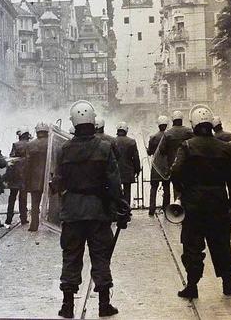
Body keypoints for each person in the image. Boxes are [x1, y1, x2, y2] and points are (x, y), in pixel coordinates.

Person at [53, 100, 124, 318]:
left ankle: (67, 306)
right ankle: (104, 305)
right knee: (101, 257)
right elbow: (114, 182)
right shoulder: (104, 148)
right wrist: (121, 207)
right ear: (92, 122)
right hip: (98, 211)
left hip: (72, 212)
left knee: (71, 257)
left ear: (73, 123)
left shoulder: (64, 149)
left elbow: (58, 182)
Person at [170, 105, 231, 300]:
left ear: (193, 124)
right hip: (218, 201)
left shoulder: (188, 146)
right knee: (222, 244)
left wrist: (182, 189)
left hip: (194, 203)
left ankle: (192, 286)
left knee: (192, 245)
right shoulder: (224, 147)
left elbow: (175, 171)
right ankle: (227, 284)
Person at [158, 110, 193, 198]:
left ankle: (177, 208)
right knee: (187, 187)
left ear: (173, 120)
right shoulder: (189, 131)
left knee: (176, 187)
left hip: (173, 164)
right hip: (188, 164)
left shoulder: (168, 133)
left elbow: (162, 149)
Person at [24, 122, 50, 232]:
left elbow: (27, 164)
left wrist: (27, 180)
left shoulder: (30, 145)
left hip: (35, 179)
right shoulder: (52, 142)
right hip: (50, 176)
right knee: (53, 202)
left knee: (35, 204)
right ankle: (53, 224)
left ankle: (34, 225)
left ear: (37, 131)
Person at [5, 126, 29, 225]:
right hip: (26, 175)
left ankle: (9, 219)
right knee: (23, 199)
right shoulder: (30, 144)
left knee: (12, 198)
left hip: (15, 176)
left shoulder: (15, 145)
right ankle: (23, 218)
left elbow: (11, 161)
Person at [147, 115, 170, 216]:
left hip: (156, 166)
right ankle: (166, 208)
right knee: (166, 187)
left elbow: (149, 152)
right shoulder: (169, 136)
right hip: (166, 166)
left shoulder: (153, 137)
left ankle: (152, 209)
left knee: (154, 188)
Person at [114, 122, 140, 206]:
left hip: (115, 170)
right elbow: (135, 158)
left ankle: (118, 209)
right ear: (126, 130)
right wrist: (137, 170)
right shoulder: (131, 142)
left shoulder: (112, 141)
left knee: (116, 190)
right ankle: (126, 209)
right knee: (127, 191)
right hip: (128, 170)